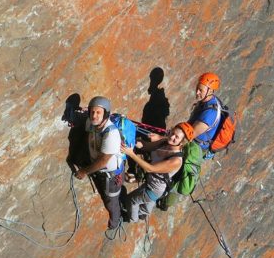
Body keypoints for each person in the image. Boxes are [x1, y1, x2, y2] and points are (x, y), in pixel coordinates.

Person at [121, 122, 193, 222]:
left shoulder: (176, 160)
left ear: (182, 142)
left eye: (177, 137)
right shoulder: (165, 141)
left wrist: (131, 154)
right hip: (152, 182)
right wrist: (131, 141)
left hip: (154, 188)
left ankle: (132, 219)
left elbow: (151, 168)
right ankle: (144, 213)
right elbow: (146, 147)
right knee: (147, 200)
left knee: (131, 200)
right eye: (172, 133)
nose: (172, 137)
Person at [73, 96, 124, 231]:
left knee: (111, 201)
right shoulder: (91, 123)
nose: (94, 116)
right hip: (101, 171)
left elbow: (103, 162)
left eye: (98, 113)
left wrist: (84, 171)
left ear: (105, 114)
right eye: (92, 112)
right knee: (106, 196)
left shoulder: (111, 133)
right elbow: (88, 136)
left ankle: (115, 222)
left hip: (111, 176)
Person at [188, 72, 222, 155]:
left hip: (196, 148)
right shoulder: (206, 101)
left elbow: (190, 135)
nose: (197, 92)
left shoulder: (210, 113)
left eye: (201, 90)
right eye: (197, 88)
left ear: (210, 91)